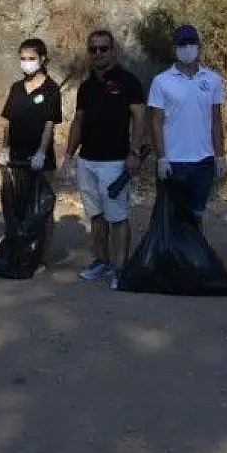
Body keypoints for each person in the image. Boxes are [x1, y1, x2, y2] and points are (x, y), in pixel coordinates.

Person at [60, 29, 146, 285]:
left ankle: (120, 268)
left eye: (103, 48)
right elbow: (78, 121)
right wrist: (68, 155)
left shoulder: (129, 81)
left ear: (113, 50)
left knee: (117, 217)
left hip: (115, 161)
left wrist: (134, 152)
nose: (98, 53)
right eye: (93, 49)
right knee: (96, 216)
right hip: (87, 160)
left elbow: (140, 118)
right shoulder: (86, 87)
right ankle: (102, 261)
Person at [147, 24, 227, 230]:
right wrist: (161, 158)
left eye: (191, 43)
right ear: (175, 48)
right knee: (170, 218)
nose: (187, 48)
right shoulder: (161, 81)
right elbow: (155, 121)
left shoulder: (213, 80)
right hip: (174, 162)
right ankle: (171, 261)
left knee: (197, 216)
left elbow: (216, 120)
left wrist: (220, 156)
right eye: (182, 44)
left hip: (203, 162)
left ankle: (195, 259)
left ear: (198, 46)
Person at [0, 37, 62, 269]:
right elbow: (8, 122)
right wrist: (4, 148)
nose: (27, 63)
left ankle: (39, 256)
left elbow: (49, 124)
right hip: (16, 157)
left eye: (31, 58)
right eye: (23, 59)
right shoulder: (16, 88)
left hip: (39, 158)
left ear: (42, 59)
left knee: (41, 207)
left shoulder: (51, 89)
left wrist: (42, 153)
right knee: (16, 206)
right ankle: (17, 249)